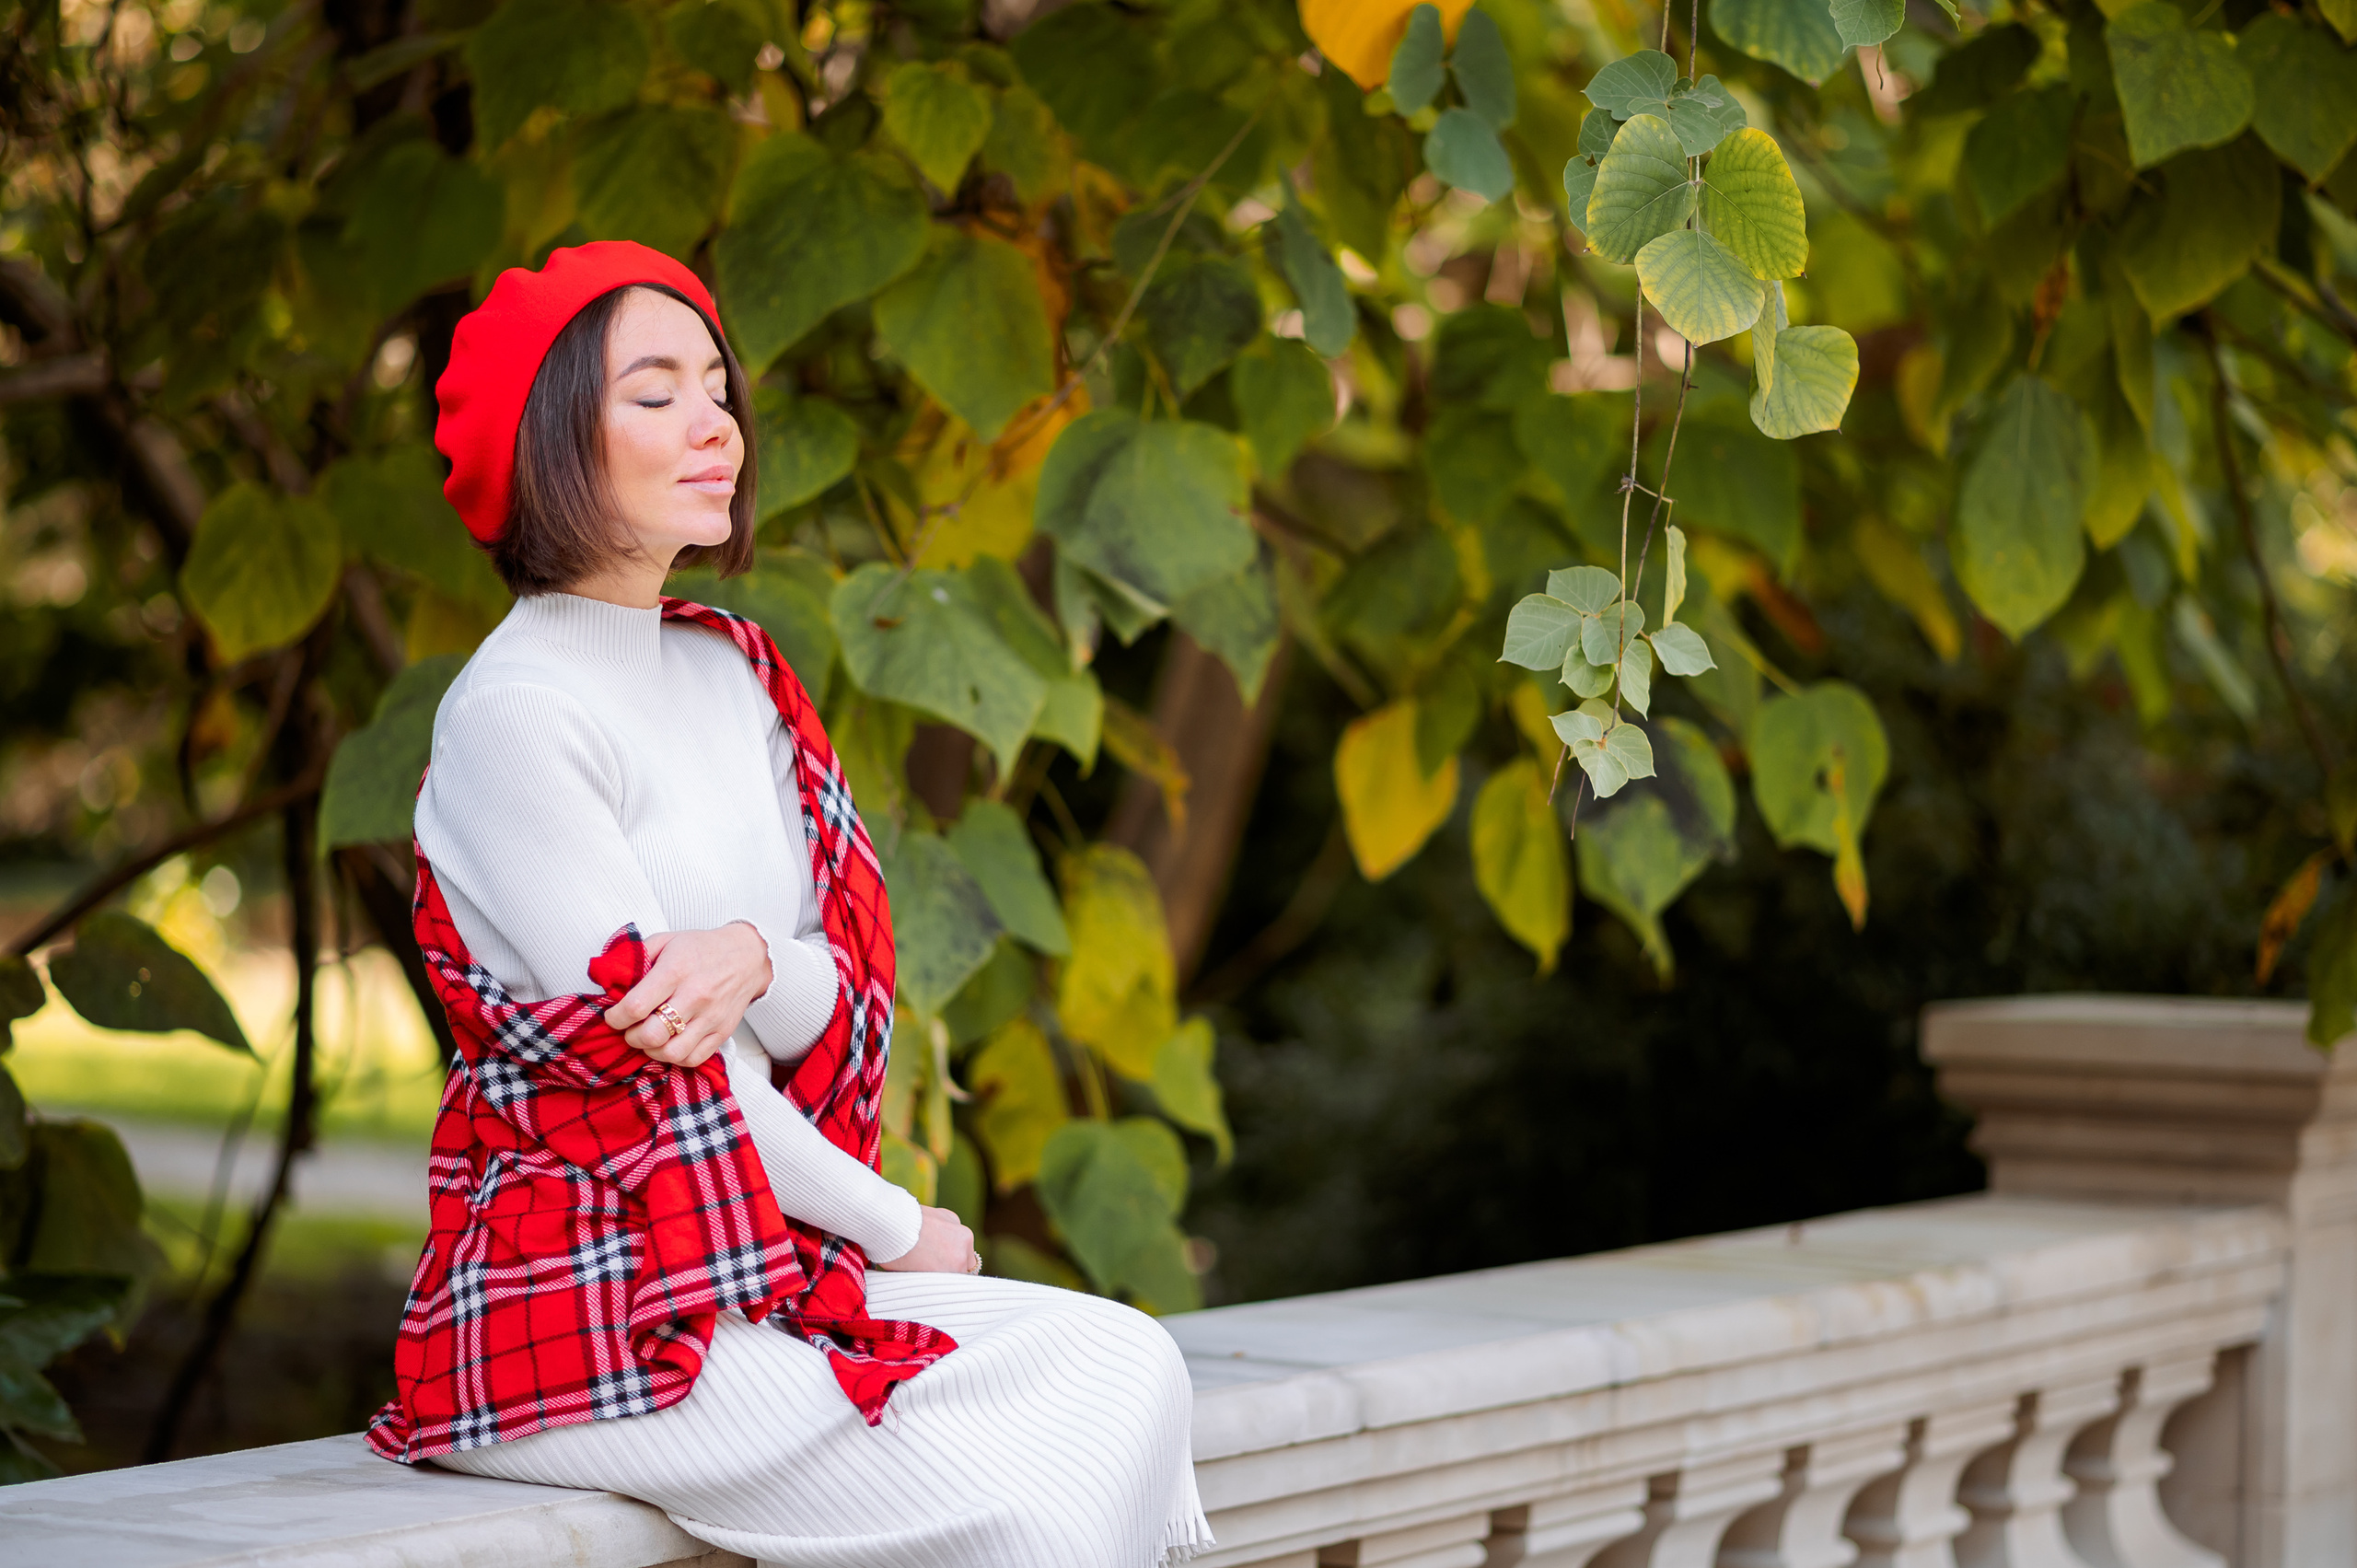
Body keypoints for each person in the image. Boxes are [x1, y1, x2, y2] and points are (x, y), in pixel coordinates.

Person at [362, 241, 1212, 1568]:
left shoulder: (731, 668)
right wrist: (899, 1227)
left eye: (718, 383)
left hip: (758, 1254)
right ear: (551, 440)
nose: (718, 424)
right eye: (657, 393)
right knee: (1037, 1502)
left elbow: (836, 991)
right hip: (582, 1306)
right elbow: (673, 1078)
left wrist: (757, 956)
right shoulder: (515, 718)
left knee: (1127, 1362)